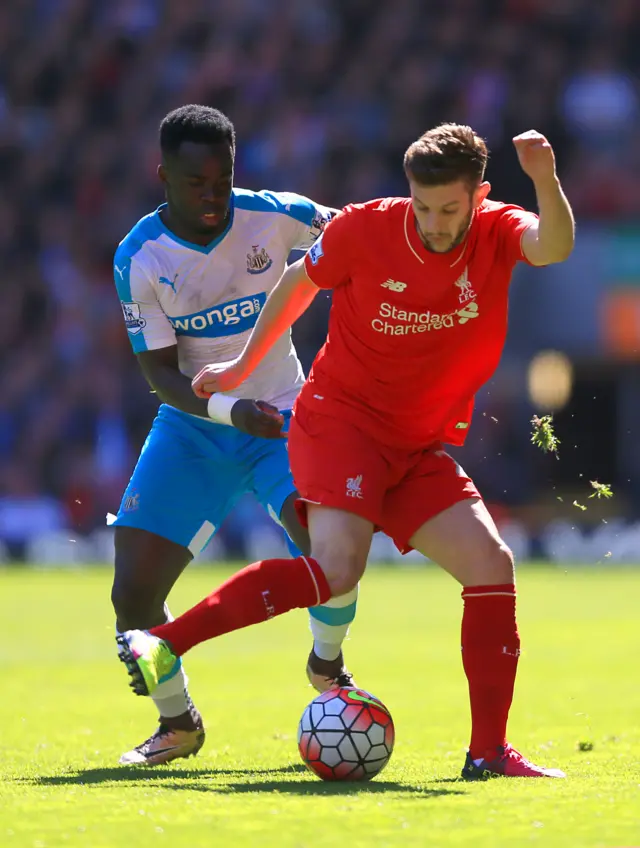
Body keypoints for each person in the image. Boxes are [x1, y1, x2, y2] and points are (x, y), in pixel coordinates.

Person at [117, 123, 574, 778]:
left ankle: (487, 754)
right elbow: (299, 282)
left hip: (417, 442)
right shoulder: (367, 228)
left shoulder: (500, 229)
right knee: (336, 569)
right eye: (422, 207)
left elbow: (554, 244)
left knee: (491, 566)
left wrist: (546, 178)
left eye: (449, 210)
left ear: (480, 196)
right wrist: (244, 365)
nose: (434, 224)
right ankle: (163, 643)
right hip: (343, 423)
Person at [111, 104, 360, 767]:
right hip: (196, 426)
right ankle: (179, 723)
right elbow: (162, 377)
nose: (213, 196)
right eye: (196, 183)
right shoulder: (140, 257)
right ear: (162, 176)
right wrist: (228, 411)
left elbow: (362, 237)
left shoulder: (277, 214)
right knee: (132, 592)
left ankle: (327, 669)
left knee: (327, 545)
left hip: (283, 416)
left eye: (222, 179)